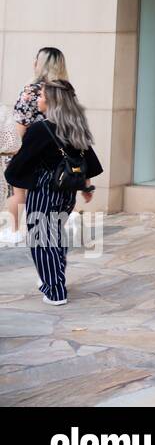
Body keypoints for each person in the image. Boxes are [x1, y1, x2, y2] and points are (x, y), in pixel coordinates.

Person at [3, 80, 100, 305]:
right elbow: (88, 158)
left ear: (52, 101)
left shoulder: (41, 128)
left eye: (42, 96)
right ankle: (53, 277)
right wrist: (86, 185)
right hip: (67, 191)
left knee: (41, 239)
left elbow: (23, 160)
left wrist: (12, 176)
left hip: (45, 189)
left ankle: (55, 290)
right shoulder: (76, 125)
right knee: (53, 235)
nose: (38, 99)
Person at [1, 47, 69, 245]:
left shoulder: (32, 90)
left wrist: (13, 151)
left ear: (40, 64)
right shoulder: (65, 90)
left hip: (29, 146)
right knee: (44, 191)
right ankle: (44, 231)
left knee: (17, 190)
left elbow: (21, 123)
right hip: (55, 149)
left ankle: (14, 230)